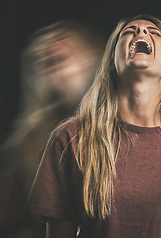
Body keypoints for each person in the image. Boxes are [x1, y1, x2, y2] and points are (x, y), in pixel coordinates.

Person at [28, 15, 161, 238]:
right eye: (129, 31)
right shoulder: (71, 137)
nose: (142, 32)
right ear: (111, 62)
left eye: (154, 32)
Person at [0, 20, 104, 238]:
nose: (48, 42)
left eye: (61, 39)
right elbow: (13, 226)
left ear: (95, 62)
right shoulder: (24, 145)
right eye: (40, 59)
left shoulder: (136, 131)